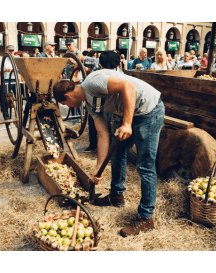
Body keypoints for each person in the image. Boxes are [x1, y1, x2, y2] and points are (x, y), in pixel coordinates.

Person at [53, 50, 165, 237]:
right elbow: (103, 134)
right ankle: (116, 195)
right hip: (130, 113)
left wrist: (127, 123)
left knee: (145, 165)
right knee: (118, 153)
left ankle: (146, 218)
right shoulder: (89, 104)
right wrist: (99, 169)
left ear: (67, 97)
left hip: (148, 110)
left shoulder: (92, 82)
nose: (67, 107)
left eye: (64, 104)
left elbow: (127, 86)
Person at [0, 45, 18, 120]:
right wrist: (5, 70)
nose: (12, 52)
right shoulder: (1, 59)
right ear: (6, 51)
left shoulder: (17, 58)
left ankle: (18, 115)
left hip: (16, 80)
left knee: (18, 97)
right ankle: (6, 116)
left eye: (12, 50)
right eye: (10, 50)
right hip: (5, 80)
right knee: (4, 98)